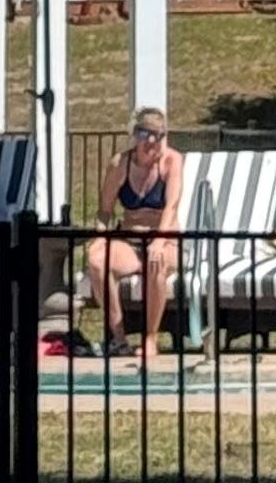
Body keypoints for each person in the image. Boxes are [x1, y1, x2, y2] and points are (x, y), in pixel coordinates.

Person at [83, 107, 186, 369]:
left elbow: (171, 206)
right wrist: (99, 236)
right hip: (129, 239)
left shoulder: (172, 162)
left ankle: (150, 338)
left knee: (157, 261)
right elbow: (105, 210)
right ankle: (118, 338)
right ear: (134, 135)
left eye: (157, 135)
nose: (151, 141)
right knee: (96, 260)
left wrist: (159, 240)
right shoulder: (120, 164)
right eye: (144, 133)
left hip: (166, 238)